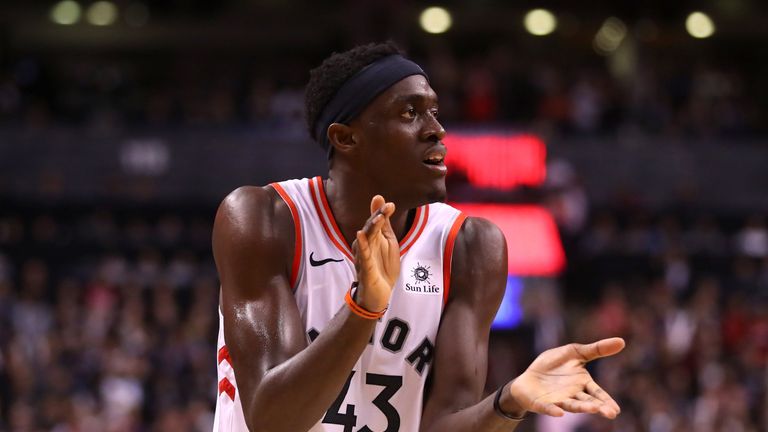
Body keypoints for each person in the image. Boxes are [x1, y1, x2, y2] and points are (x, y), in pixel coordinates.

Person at [211, 41, 625, 432]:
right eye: (410, 113)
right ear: (345, 137)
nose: (436, 130)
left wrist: (509, 400)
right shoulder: (264, 219)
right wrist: (363, 308)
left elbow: (445, 422)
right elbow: (273, 421)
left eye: (434, 112)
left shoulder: (470, 248)